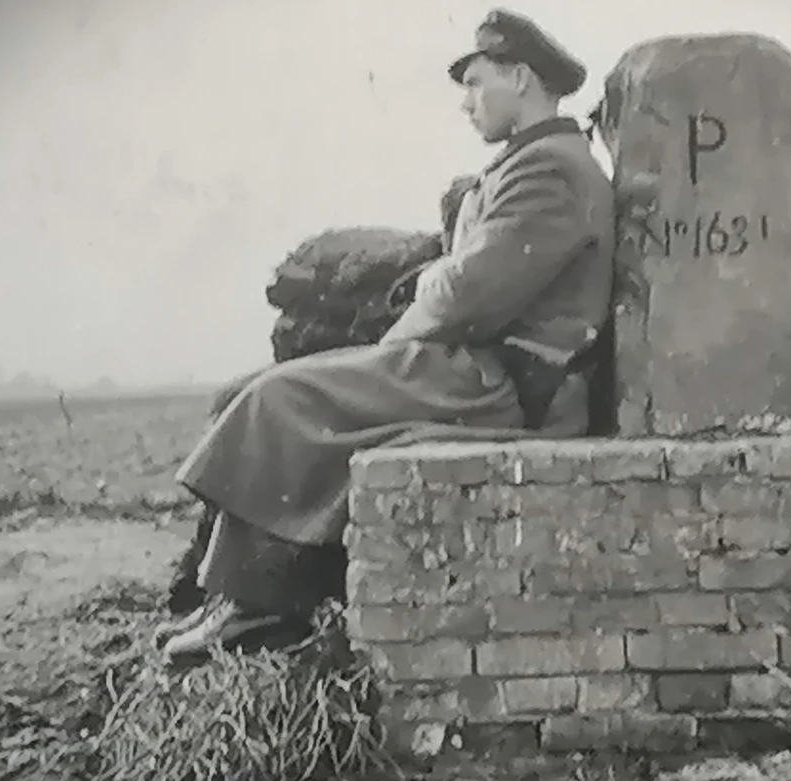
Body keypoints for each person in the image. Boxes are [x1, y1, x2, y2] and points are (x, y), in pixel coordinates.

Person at [154, 7, 617, 660]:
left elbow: (467, 294)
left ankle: (257, 615)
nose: (466, 104)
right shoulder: (541, 163)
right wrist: (442, 281)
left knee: (283, 398)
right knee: (270, 395)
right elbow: (471, 279)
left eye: (476, 82)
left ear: (519, 77)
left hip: (508, 387)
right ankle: (239, 601)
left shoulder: (550, 172)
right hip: (484, 375)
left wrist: (407, 324)